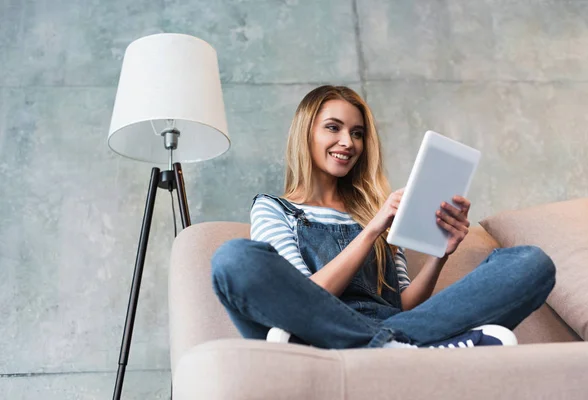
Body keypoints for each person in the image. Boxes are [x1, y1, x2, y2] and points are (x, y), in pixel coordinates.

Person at [211, 85, 556, 349]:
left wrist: (441, 253)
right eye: (333, 128)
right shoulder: (275, 208)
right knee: (234, 259)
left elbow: (403, 304)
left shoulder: (372, 208)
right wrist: (371, 230)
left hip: (386, 327)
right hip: (315, 323)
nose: (348, 142)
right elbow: (305, 297)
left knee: (531, 263)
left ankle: (386, 346)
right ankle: (409, 346)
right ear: (306, 132)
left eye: (357, 133)